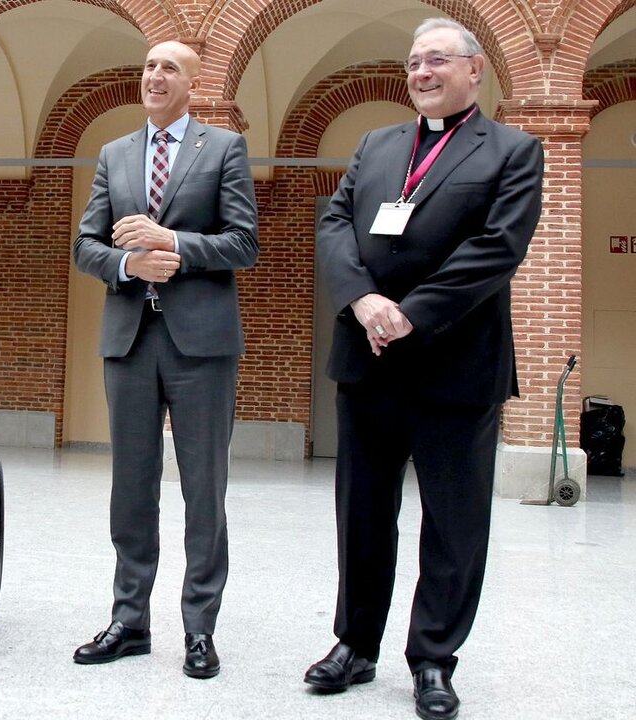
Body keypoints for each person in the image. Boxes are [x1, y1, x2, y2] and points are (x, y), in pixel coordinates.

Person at [306, 18, 543, 720]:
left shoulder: (513, 150)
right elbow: (335, 225)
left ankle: (434, 657)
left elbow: (500, 247)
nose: (422, 72)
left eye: (437, 60)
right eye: (413, 62)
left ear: (475, 71)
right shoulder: (377, 145)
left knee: (454, 521)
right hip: (367, 360)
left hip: (455, 364)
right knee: (363, 514)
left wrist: (412, 312)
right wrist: (365, 299)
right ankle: (355, 644)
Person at [71, 39, 259, 679]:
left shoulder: (223, 148)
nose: (155, 75)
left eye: (168, 67)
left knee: (204, 488)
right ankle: (129, 621)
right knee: (131, 487)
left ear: (193, 84)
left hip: (201, 344)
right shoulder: (115, 154)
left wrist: (170, 241)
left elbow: (243, 242)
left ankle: (200, 629)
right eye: (149, 66)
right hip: (128, 339)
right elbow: (85, 245)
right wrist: (129, 263)